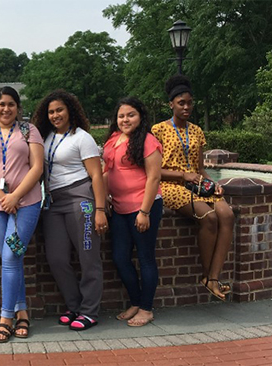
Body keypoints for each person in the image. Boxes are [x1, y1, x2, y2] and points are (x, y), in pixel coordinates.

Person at [151, 75, 234, 301]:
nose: (186, 107)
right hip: (169, 185)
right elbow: (153, 171)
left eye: (189, 103)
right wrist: (182, 175)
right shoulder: (157, 130)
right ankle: (207, 276)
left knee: (226, 214)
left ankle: (213, 277)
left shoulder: (196, 131)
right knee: (208, 217)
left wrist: (213, 184)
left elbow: (200, 168)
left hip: (197, 184)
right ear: (171, 104)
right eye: (181, 103)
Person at [0, 86, 44, 342]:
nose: (6, 109)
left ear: (18, 108)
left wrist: (15, 197)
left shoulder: (29, 131)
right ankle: (22, 312)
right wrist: (3, 198)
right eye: (1, 104)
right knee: (12, 258)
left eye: (11, 104)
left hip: (26, 204)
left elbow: (37, 168)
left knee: (10, 255)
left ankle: (5, 318)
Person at [34, 90, 107, 331]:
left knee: (88, 256)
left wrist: (99, 209)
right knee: (56, 258)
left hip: (81, 199)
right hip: (54, 202)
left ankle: (89, 311)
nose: (55, 115)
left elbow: (96, 175)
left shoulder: (81, 137)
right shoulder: (46, 138)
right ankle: (74, 305)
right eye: (51, 111)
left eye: (60, 110)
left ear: (70, 111)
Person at [103, 97, 163, 327]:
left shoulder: (148, 141)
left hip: (143, 207)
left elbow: (154, 177)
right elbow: (107, 171)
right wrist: (103, 198)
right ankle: (136, 302)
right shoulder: (113, 140)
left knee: (146, 258)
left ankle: (147, 308)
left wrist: (145, 212)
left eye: (131, 115)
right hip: (119, 208)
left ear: (140, 116)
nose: (125, 119)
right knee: (120, 257)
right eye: (121, 116)